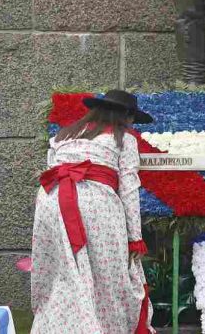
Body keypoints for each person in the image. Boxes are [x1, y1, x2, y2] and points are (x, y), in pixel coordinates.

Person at [31, 90, 154, 334]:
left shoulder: (64, 135)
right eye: (131, 119)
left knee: (62, 271)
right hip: (94, 201)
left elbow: (52, 167)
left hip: (51, 200)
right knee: (107, 272)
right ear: (126, 116)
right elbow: (129, 188)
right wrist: (135, 238)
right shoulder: (124, 139)